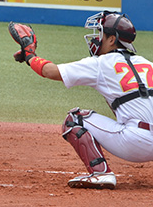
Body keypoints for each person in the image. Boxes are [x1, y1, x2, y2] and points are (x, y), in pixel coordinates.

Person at [9, 11, 153, 190]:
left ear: (111, 40)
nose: (96, 39)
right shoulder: (148, 64)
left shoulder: (101, 63)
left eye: (100, 34)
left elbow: (50, 71)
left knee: (74, 119)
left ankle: (101, 173)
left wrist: (30, 55)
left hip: (135, 143)